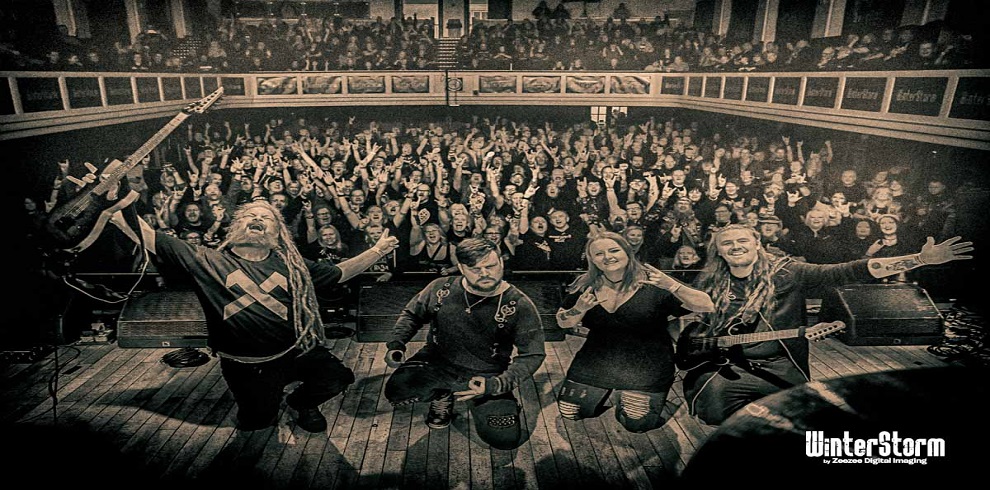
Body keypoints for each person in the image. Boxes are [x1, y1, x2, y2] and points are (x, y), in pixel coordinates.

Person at [125, 200, 400, 433]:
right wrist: (113, 200)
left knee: (337, 378)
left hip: (295, 353)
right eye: (251, 215)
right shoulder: (206, 260)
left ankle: (302, 403)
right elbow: (145, 234)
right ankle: (264, 402)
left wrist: (379, 250)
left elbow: (339, 273)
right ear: (235, 226)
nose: (258, 218)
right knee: (257, 423)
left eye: (266, 218)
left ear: (277, 233)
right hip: (245, 365)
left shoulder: (292, 265)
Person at [682, 224, 973, 425]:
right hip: (727, 366)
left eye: (742, 240)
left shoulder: (789, 272)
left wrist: (919, 259)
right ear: (718, 251)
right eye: (727, 243)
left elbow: (849, 271)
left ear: (757, 244)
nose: (735, 246)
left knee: (803, 420)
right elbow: (692, 321)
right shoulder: (710, 281)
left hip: (782, 365)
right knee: (713, 416)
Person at [383, 238, 546, 450]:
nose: (484, 273)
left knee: (504, 439)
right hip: (437, 362)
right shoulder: (440, 288)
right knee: (397, 390)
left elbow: (532, 354)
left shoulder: (520, 304)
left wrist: (497, 385)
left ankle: (499, 403)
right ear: (460, 268)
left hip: (487, 374)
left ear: (501, 263)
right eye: (474, 268)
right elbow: (412, 314)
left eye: (490, 266)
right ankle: (442, 395)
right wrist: (397, 343)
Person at [554, 232, 714, 433]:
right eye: (599, 253)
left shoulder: (652, 281)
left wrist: (672, 285)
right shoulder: (586, 284)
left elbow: (706, 305)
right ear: (592, 259)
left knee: (636, 423)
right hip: (597, 360)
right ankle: (609, 392)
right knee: (570, 412)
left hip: (646, 364)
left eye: (613, 250)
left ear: (627, 252)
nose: (607, 257)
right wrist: (579, 308)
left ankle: (634, 393)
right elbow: (562, 322)